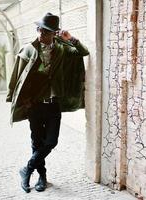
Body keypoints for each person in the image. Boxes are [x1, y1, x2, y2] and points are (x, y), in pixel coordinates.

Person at [6, 13, 89, 193]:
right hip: (34, 105)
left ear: (55, 33)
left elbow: (83, 52)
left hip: (53, 104)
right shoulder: (28, 49)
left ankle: (26, 169)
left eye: (47, 31)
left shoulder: (62, 49)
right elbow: (17, 76)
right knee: (37, 142)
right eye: (40, 29)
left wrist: (71, 39)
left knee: (51, 141)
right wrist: (23, 101)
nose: (41, 33)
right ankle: (42, 177)